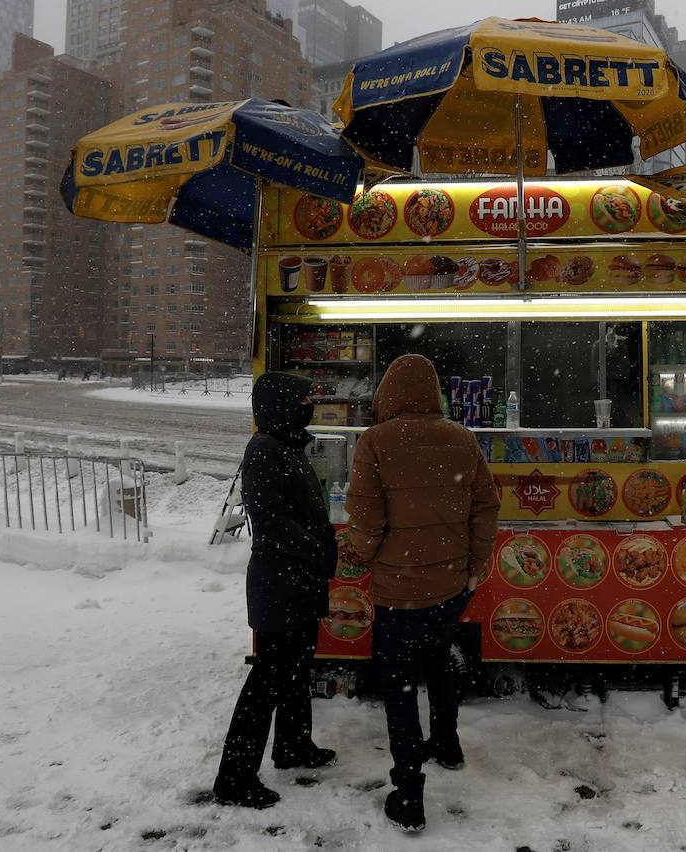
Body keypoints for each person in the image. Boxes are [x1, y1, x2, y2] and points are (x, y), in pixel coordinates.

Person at [344, 354, 500, 834]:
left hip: (398, 591)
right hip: (451, 587)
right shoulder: (462, 438)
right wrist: (474, 569)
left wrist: (361, 554)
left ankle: (408, 793)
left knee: (399, 687)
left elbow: (366, 519)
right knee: (439, 662)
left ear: (388, 394)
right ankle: (448, 746)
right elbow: (486, 507)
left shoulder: (375, 441)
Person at [212, 372, 338, 809]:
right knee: (266, 680)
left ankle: (293, 746)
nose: (308, 404)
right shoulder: (264, 449)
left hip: (297, 582)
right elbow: (271, 525)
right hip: (279, 583)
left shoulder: (287, 444)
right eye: (302, 398)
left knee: (297, 670)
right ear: (282, 404)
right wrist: (317, 549)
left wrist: (321, 548)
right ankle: (234, 778)